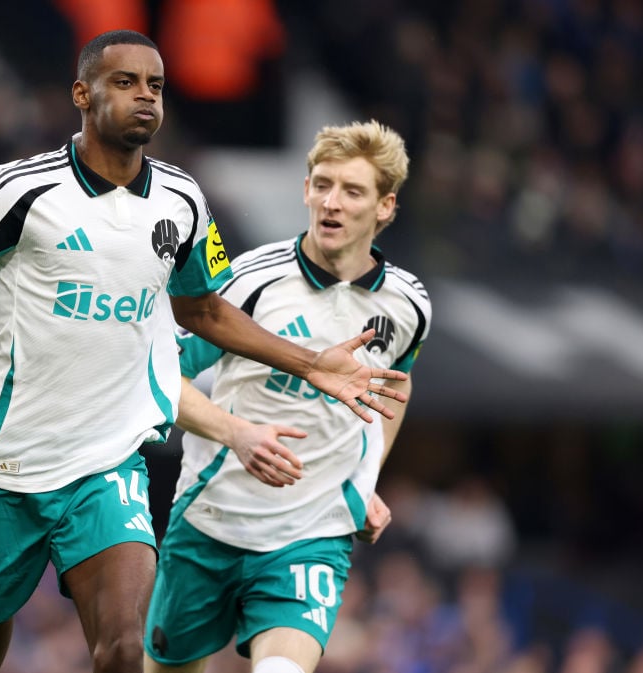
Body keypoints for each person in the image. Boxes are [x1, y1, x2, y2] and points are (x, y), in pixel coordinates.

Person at [0, 31, 408, 673]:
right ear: (82, 93)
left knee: (125, 647)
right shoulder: (17, 192)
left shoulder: (183, 203)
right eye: (125, 82)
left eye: (154, 85)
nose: (144, 97)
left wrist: (309, 361)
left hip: (105, 462)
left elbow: (204, 310)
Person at [143, 120, 431, 673]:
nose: (332, 201)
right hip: (210, 522)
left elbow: (398, 383)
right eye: (321, 184)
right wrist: (238, 435)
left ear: (386, 206)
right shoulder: (250, 282)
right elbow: (156, 377)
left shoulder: (408, 305)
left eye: (352, 191)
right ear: (305, 191)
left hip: (312, 532)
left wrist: (365, 481)